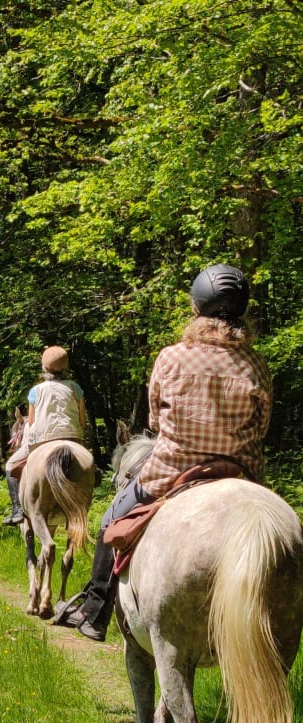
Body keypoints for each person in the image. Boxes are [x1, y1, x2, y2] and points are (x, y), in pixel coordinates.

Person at [61, 264, 273, 641]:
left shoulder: (172, 356)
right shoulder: (256, 363)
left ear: (196, 309)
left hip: (170, 471)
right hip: (240, 472)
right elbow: (260, 428)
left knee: (112, 521)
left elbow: (155, 422)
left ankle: (95, 612)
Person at [2, 346, 87, 525]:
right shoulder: (76, 388)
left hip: (42, 441)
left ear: (45, 368)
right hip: (73, 439)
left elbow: (31, 421)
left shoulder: (36, 391)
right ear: (65, 368)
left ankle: (17, 509)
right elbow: (82, 420)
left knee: (10, 466)